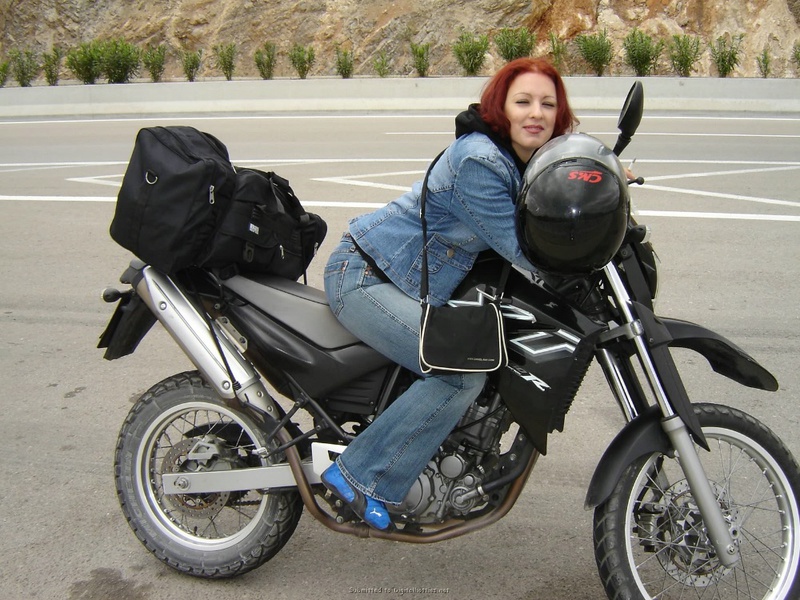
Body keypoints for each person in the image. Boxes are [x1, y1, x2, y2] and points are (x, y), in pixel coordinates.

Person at [321, 57, 579, 530]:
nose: (535, 113)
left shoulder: (523, 158)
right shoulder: (480, 161)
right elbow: (523, 248)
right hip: (364, 276)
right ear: (501, 107)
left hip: (404, 281)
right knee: (460, 374)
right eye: (523, 101)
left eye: (547, 103)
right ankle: (359, 476)